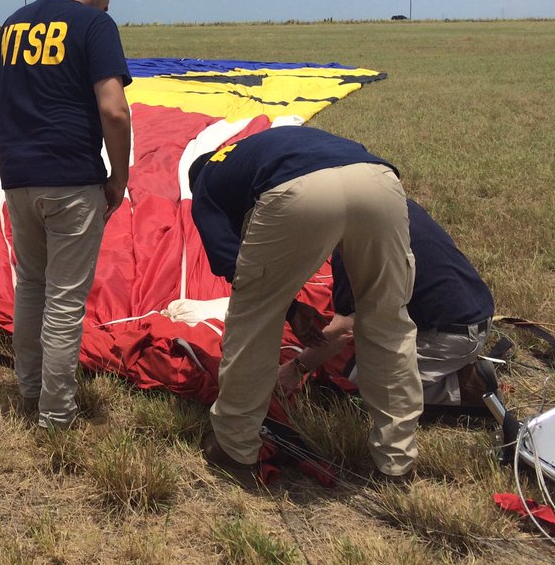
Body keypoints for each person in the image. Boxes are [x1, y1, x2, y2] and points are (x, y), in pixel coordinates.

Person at [188, 125, 423, 480]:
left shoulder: (205, 183)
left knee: (254, 322)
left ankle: (234, 448)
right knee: (387, 320)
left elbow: (228, 261)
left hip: (296, 191)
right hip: (378, 180)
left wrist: (283, 306)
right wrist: (296, 310)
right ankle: (397, 459)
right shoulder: (254, 150)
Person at [0, 0, 132, 430]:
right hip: (72, 180)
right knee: (65, 299)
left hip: (20, 181)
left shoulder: (15, 24)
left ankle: (28, 389)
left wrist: (22, 147)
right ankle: (57, 414)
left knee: (30, 286)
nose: (109, 4)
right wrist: (119, 177)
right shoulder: (94, 26)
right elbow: (114, 110)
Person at [278, 198, 494, 405]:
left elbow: (343, 331)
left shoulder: (351, 245)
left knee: (360, 374)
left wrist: (296, 368)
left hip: (452, 335)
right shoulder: (395, 204)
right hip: (475, 309)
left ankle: (464, 387)